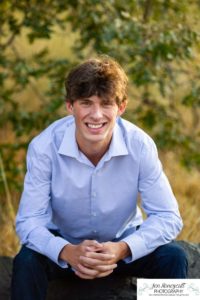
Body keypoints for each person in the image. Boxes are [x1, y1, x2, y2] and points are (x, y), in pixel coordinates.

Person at [11, 56, 188, 300]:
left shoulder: (140, 145)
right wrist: (65, 251)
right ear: (70, 106)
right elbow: (28, 221)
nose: (96, 115)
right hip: (65, 252)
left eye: (106, 104)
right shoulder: (43, 147)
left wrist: (123, 249)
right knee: (27, 261)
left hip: (122, 248)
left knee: (174, 257)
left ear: (121, 107)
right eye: (86, 103)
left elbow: (169, 217)